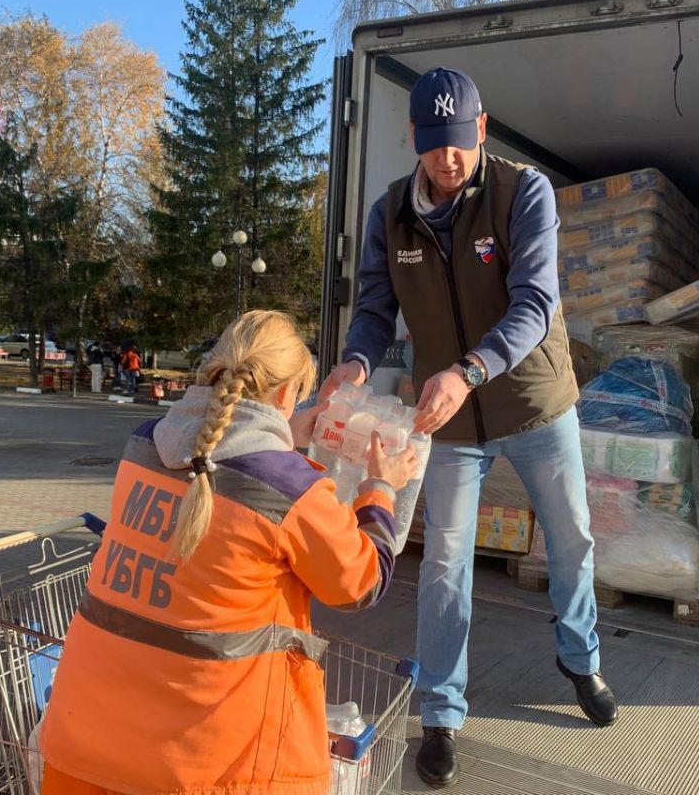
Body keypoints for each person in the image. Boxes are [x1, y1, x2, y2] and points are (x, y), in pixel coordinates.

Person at [320, 67, 616, 787]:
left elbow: (536, 300)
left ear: (480, 130)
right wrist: (355, 364)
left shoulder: (523, 193)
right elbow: (372, 308)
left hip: (535, 402)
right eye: (434, 146)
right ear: (416, 140)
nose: (448, 160)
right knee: (446, 565)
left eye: (460, 143)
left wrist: (469, 369)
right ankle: (441, 713)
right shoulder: (392, 214)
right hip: (445, 420)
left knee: (571, 537)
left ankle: (581, 661)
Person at [39, 310, 419, 795]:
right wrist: (381, 489)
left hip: (86, 745)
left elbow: (223, 473)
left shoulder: (143, 448)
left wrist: (283, 441)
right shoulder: (288, 489)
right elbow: (360, 584)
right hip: (211, 765)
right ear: (286, 394)